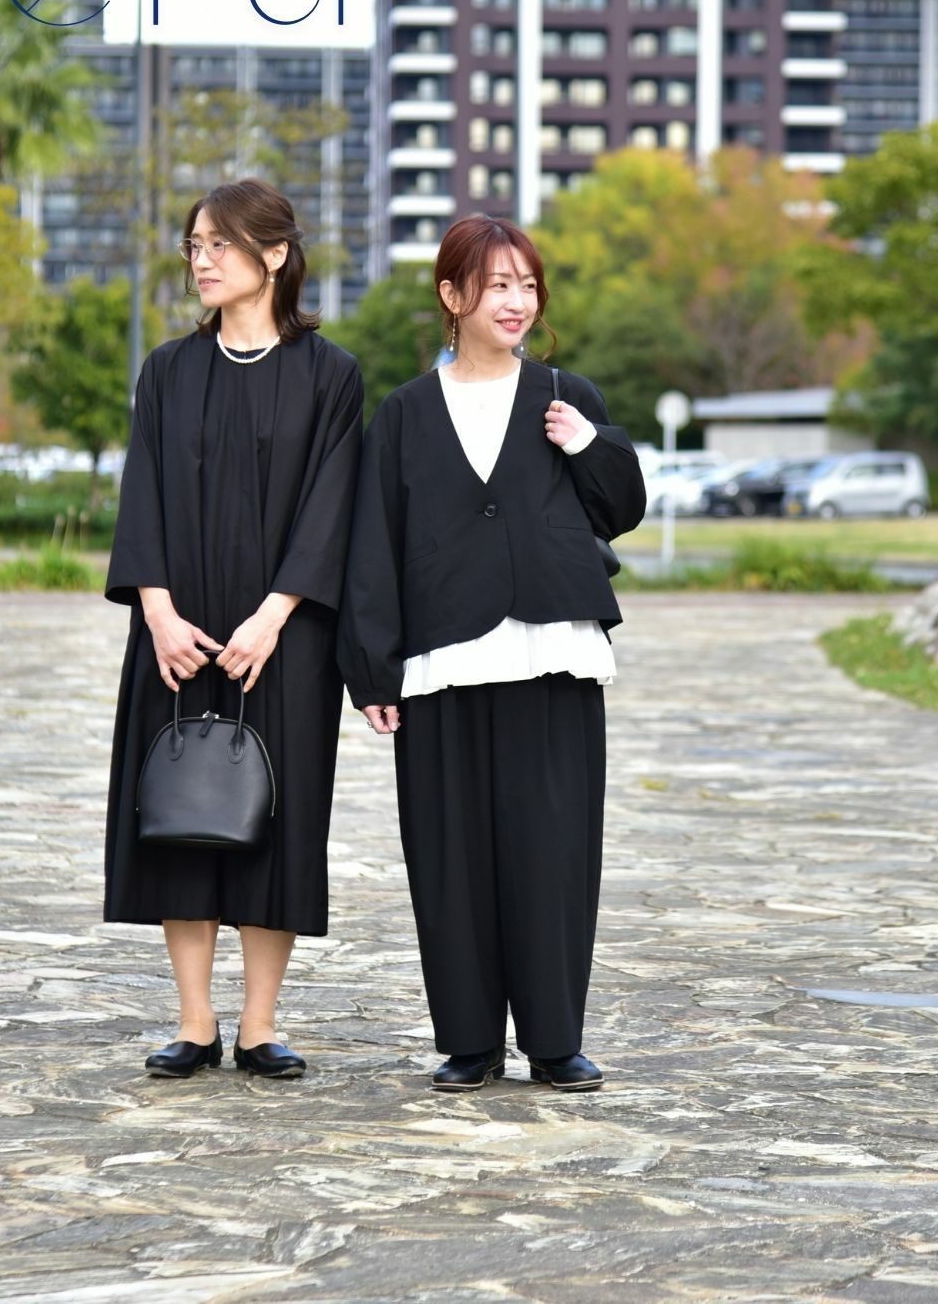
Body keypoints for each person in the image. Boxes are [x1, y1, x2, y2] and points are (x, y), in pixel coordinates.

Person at [337, 214, 646, 1092]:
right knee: (450, 854)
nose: (517, 301)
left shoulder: (566, 396)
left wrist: (586, 443)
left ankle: (554, 1039)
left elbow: (622, 507)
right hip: (442, 661)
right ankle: (468, 1039)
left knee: (553, 851)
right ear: (452, 294)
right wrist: (371, 670)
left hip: (552, 652)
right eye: (497, 285)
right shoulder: (403, 414)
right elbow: (372, 549)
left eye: (527, 285)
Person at [104, 178, 363, 1081]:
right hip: (175, 635)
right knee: (178, 816)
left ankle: (259, 1025)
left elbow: (332, 508)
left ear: (275, 254)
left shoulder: (331, 375)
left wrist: (275, 615)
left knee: (275, 821)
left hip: (284, 640)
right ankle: (194, 1021)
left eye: (219, 244)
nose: (201, 261)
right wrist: (158, 612)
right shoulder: (168, 371)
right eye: (194, 246)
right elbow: (142, 496)